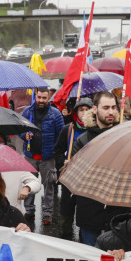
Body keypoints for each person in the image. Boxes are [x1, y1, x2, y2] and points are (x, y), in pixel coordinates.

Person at [70, 91, 128, 246]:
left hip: (118, 213)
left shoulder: (125, 137)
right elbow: (77, 175)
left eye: (114, 107)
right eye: (106, 107)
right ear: (94, 109)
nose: (111, 112)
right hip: (90, 212)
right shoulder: (83, 141)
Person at [21, 87, 65, 225]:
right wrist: (24, 135)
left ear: (48, 98)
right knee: (29, 184)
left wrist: (55, 151)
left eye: (44, 98)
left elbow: (62, 134)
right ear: (36, 96)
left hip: (48, 157)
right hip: (30, 156)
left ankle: (47, 214)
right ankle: (29, 211)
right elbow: (19, 129)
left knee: (49, 187)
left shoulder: (56, 114)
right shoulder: (27, 112)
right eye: (39, 97)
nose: (41, 100)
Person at [54, 97, 93, 239]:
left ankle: (84, 241)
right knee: (66, 210)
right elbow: (58, 151)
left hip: (88, 178)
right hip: (69, 177)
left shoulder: (94, 130)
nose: (83, 113)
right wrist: (62, 164)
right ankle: (65, 237)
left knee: (86, 213)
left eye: (87, 110)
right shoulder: (68, 129)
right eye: (81, 110)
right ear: (76, 112)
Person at [0, 132, 41, 211]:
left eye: (0, 143)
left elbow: (36, 182)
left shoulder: (15, 165)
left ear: (6, 145)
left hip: (12, 214)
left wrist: (27, 188)